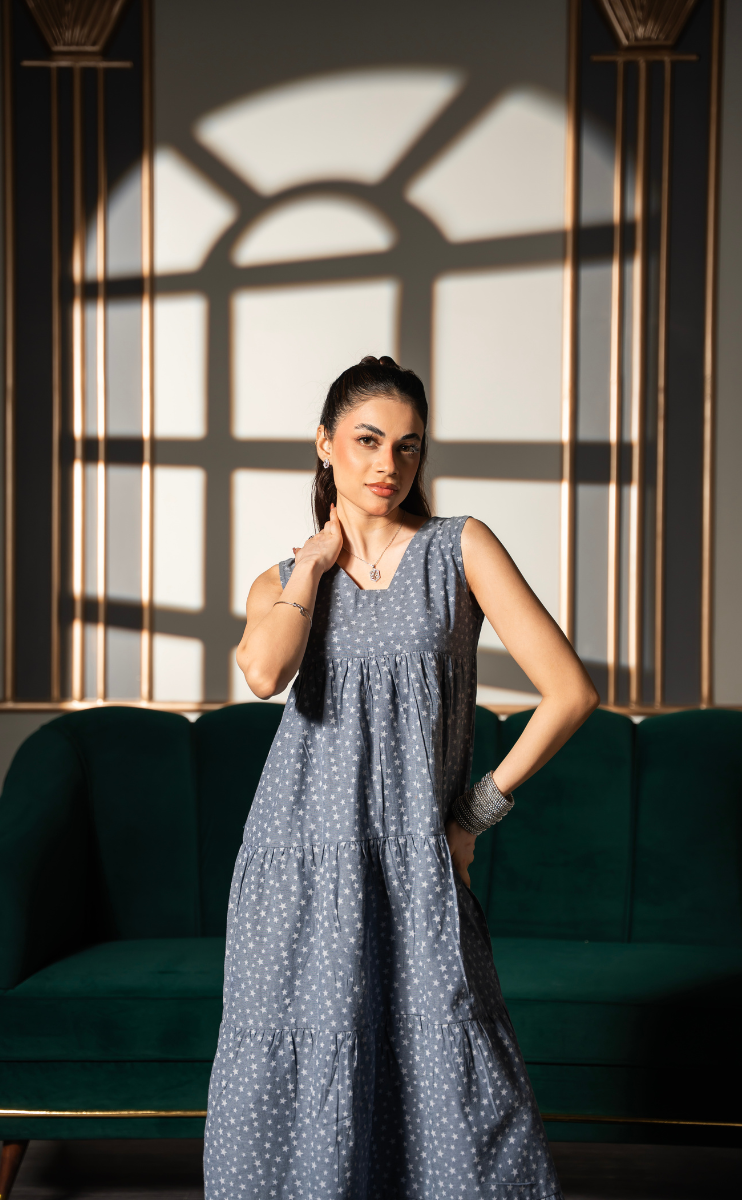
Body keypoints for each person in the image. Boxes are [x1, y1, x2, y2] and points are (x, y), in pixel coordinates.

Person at [203, 356, 599, 1199]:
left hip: (415, 862)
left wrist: (473, 817)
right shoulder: (283, 581)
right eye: (368, 441)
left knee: (450, 1069)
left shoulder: (460, 548)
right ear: (325, 444)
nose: (389, 464)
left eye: (408, 446)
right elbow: (264, 674)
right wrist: (315, 564)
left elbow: (570, 692)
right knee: (301, 1072)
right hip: (298, 866)